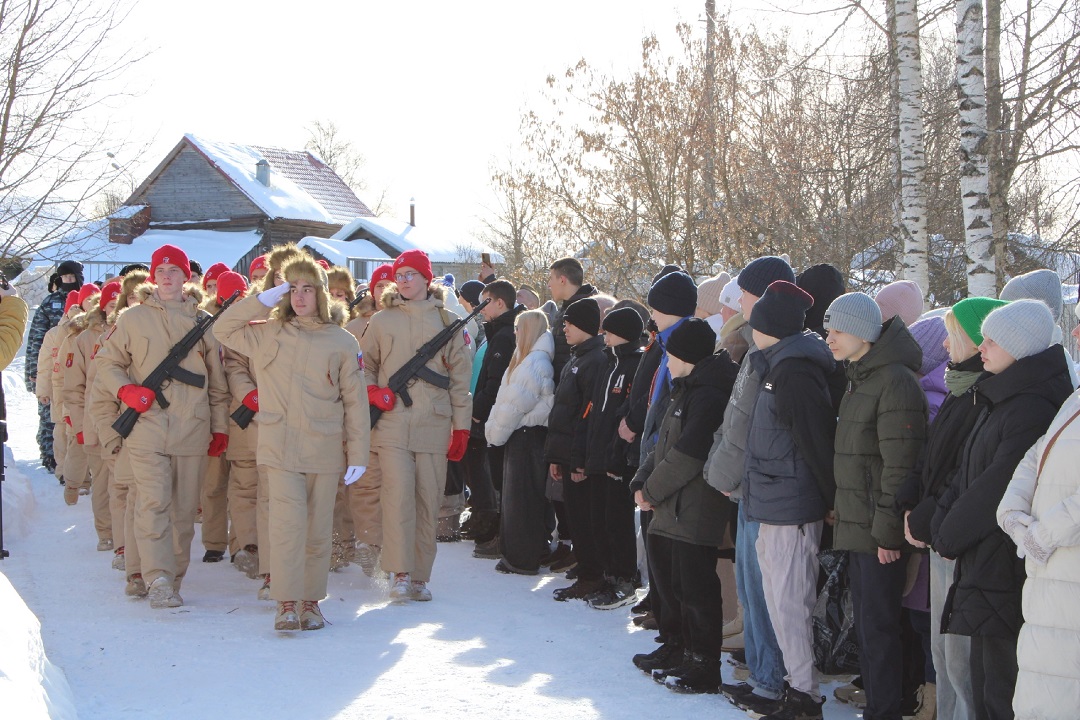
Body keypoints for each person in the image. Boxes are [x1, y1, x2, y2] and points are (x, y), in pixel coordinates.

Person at [933, 299, 1072, 720]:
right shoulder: (1000, 395)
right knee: (981, 682)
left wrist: (947, 534)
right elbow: (964, 471)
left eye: (993, 340)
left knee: (999, 689)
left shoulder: (1029, 405)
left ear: (1020, 347)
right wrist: (940, 525)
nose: (982, 347)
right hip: (983, 560)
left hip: (1002, 563)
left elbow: (995, 486)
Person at [215, 254, 368, 631]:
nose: (299, 297)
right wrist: (264, 299)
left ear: (321, 294)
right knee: (286, 526)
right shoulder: (268, 333)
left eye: (307, 289)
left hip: (324, 449)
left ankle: (310, 602)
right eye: (292, 289)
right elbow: (223, 327)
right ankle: (285, 601)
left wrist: (359, 452)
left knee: (316, 530)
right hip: (279, 447)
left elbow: (355, 401)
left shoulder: (342, 341)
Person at [95, 244, 231, 609]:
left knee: (184, 511)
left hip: (192, 427)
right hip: (147, 426)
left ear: (187, 277)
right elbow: (106, 363)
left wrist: (219, 429)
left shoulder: (204, 323)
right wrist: (126, 389)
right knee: (153, 500)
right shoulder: (133, 318)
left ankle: (170, 575)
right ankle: (156, 578)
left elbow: (218, 385)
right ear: (152, 277)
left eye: (175, 270)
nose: (167, 276)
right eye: (161, 270)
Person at [898, 297, 1004, 720]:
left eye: (953, 335)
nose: (944, 344)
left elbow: (963, 472)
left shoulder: (981, 396)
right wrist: (910, 503)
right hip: (936, 527)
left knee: (959, 659)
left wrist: (926, 516)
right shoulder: (961, 387)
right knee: (943, 653)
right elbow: (928, 460)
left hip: (955, 536)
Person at [825, 291, 927, 720]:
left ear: (864, 333)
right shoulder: (862, 377)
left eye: (838, 329)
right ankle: (880, 704)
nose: (829, 337)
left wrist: (887, 532)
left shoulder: (894, 381)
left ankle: (884, 711)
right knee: (868, 626)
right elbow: (858, 460)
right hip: (859, 525)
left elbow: (901, 465)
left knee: (880, 628)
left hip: (878, 533)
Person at [706, 255, 797, 717]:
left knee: (765, 592)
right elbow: (734, 420)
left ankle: (771, 680)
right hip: (746, 487)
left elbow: (753, 429)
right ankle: (761, 675)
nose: (736, 299)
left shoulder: (781, 355)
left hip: (767, 491)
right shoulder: (756, 348)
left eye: (744, 291)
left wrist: (723, 474)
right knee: (749, 587)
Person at [742, 280, 836, 719]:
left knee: (791, 603)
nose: (749, 327)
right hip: (774, 499)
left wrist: (829, 498)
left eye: (756, 321)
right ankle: (794, 687)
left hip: (793, 505)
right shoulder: (777, 365)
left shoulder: (794, 371)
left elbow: (816, 440)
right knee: (780, 602)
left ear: (772, 328)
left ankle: (805, 696)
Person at [630, 318, 738, 694]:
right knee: (673, 585)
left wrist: (651, 491)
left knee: (695, 591)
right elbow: (663, 445)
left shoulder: (709, 393)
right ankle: (678, 648)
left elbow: (689, 455)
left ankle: (703, 663)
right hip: (671, 504)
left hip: (693, 508)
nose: (667, 362)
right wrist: (641, 480)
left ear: (687, 357)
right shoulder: (686, 388)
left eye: (671, 355)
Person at [361, 249, 472, 603]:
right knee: (397, 498)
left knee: (428, 501)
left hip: (434, 424)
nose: (405, 280)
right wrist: (374, 392)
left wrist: (462, 427)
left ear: (427, 278)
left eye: (412, 274)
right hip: (392, 424)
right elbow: (363, 365)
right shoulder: (381, 320)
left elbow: (460, 380)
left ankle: (421, 575)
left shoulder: (449, 321)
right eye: (401, 274)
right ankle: (400, 572)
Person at [997, 314, 1080, 719]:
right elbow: (1039, 452)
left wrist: (1046, 533)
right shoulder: (1076, 397)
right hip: (1050, 580)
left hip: (1067, 574)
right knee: (1040, 692)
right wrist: (1012, 511)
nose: (1077, 333)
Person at [544, 297, 608, 601]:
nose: (564, 327)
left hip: (579, 456)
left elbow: (588, 415)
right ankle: (587, 568)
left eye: (569, 322)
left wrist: (579, 460)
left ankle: (592, 575)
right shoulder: (578, 356)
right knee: (576, 515)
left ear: (583, 325)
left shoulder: (594, 360)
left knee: (584, 519)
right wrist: (558, 457)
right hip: (568, 453)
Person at [581, 305, 645, 609]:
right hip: (598, 456)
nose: (603, 335)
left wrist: (618, 458)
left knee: (618, 522)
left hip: (618, 461)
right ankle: (608, 576)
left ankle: (625, 578)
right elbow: (595, 413)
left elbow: (629, 415)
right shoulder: (609, 363)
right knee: (599, 520)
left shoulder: (635, 363)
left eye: (608, 330)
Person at [485, 310, 555, 575]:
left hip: (526, 438)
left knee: (521, 501)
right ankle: (525, 553)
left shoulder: (534, 362)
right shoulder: (527, 358)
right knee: (522, 499)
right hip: (524, 436)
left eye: (518, 328)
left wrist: (495, 436)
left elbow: (514, 405)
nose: (514, 332)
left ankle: (521, 558)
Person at [463, 280, 524, 552]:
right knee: (478, 470)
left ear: (500, 302)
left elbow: (495, 379)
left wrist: (478, 412)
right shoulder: (495, 331)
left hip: (489, 416)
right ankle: (484, 520)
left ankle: (492, 526)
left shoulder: (504, 335)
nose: (480, 309)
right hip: (483, 413)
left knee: (489, 472)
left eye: (485, 302)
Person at [63, 281, 118, 548]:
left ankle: (124, 537)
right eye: (111, 305)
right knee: (104, 481)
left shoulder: (132, 332)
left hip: (130, 422)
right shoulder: (85, 339)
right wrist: (80, 425)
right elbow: (74, 388)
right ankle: (107, 534)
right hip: (96, 422)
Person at [27, 259, 83, 471]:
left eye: (72, 277)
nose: (68, 281)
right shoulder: (50, 303)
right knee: (49, 414)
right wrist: (34, 373)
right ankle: (50, 456)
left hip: (78, 368)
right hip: (53, 365)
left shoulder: (89, 299)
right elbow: (37, 340)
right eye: (65, 278)